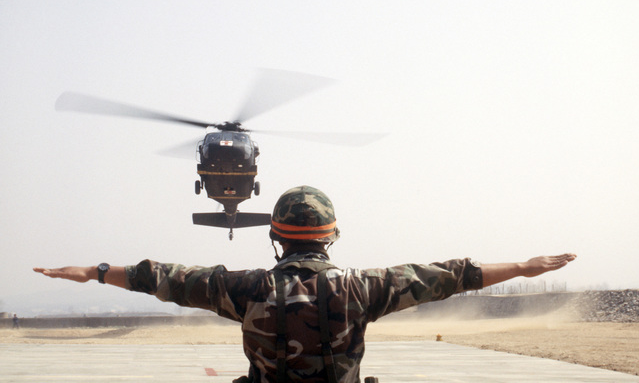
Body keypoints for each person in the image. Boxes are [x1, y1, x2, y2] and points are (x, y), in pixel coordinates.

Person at [34, 186, 576, 383]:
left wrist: (97, 272)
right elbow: (451, 276)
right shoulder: (365, 288)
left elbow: (167, 279)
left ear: (276, 237)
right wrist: (523, 267)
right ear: (331, 237)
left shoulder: (243, 289)